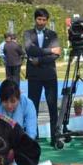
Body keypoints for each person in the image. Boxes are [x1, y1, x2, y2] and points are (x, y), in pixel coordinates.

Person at [23, 8, 62, 142]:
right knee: (33, 107)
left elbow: (56, 55)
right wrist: (49, 50)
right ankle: (34, 136)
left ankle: (55, 136)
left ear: (47, 21)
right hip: (34, 76)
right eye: (39, 19)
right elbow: (30, 50)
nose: (41, 22)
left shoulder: (53, 34)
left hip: (50, 75)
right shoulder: (28, 34)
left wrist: (39, 60)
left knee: (52, 106)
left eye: (44, 20)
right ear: (35, 19)